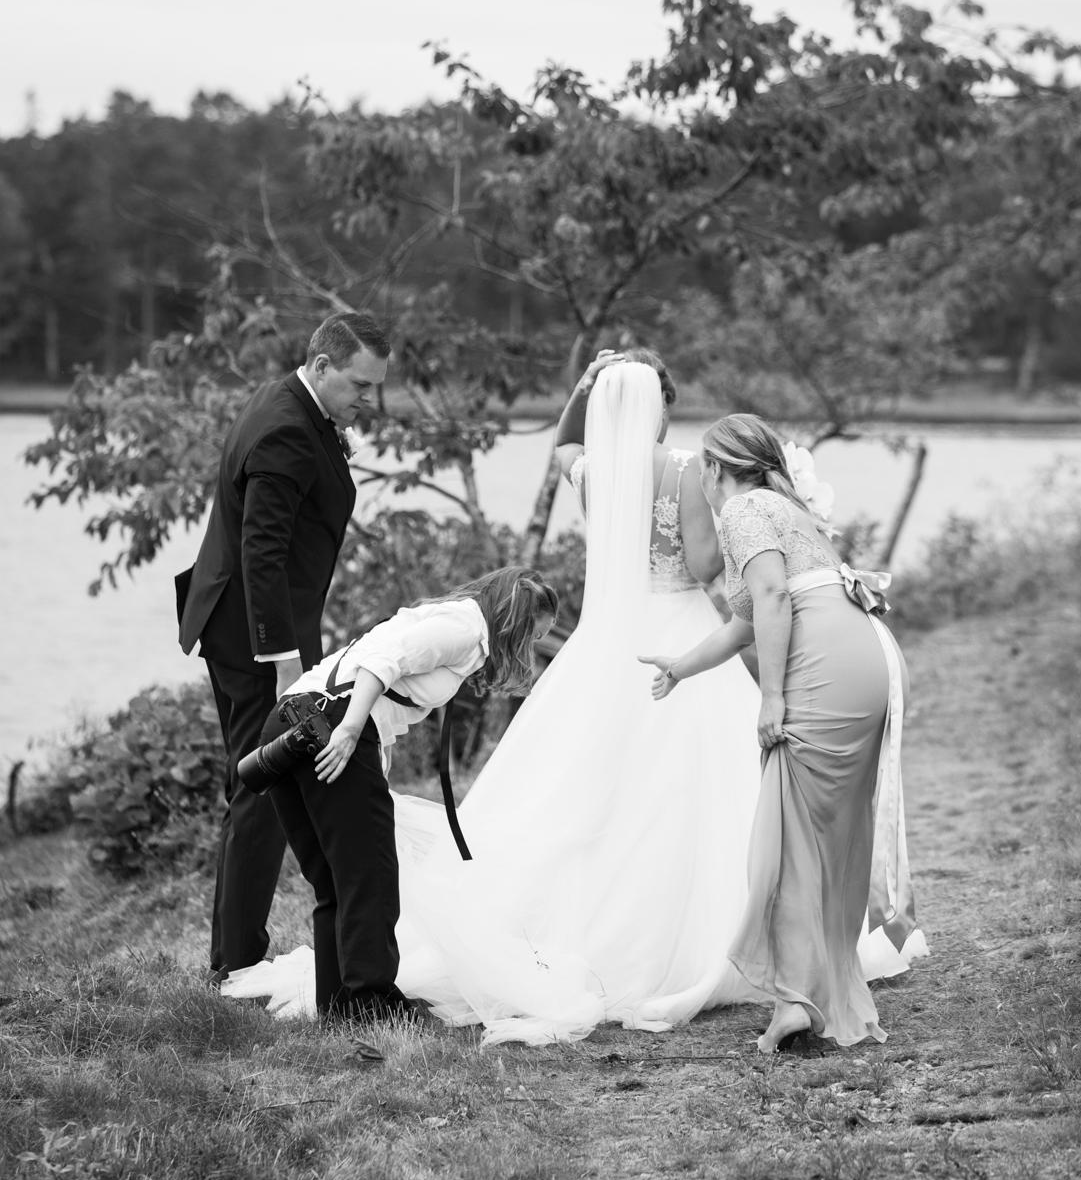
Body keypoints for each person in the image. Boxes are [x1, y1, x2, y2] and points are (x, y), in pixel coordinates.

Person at [225, 359, 922, 1044]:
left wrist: (582, 391)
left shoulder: (597, 474)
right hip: (678, 621)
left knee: (584, 785)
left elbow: (564, 448)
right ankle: (762, 940)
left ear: (606, 411)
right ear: (660, 411)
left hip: (608, 640)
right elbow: (708, 568)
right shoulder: (683, 470)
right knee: (708, 787)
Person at [641, 413, 920, 1050]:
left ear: (715, 469)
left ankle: (797, 999)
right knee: (825, 834)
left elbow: (772, 600)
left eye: (703, 469)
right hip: (865, 657)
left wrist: (771, 699)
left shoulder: (742, 511)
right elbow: (745, 619)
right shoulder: (784, 508)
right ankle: (812, 989)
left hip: (826, 667)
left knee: (792, 836)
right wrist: (680, 668)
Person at [237, 567, 558, 1023]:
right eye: (533, 635)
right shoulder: (465, 629)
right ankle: (371, 1001)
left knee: (335, 877)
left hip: (293, 719)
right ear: (516, 620)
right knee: (372, 877)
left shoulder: (454, 622)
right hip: (332, 724)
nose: (529, 647)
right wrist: (349, 730)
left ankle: (339, 1002)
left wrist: (371, 762)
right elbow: (382, 660)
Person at [176, 311, 390, 980]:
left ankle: (234, 953)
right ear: (322, 367)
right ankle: (235, 963)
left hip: (252, 624)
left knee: (262, 786)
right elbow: (261, 553)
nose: (368, 400)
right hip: (254, 638)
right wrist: (288, 666)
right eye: (359, 385)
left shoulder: (285, 399)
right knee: (263, 789)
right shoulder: (287, 431)